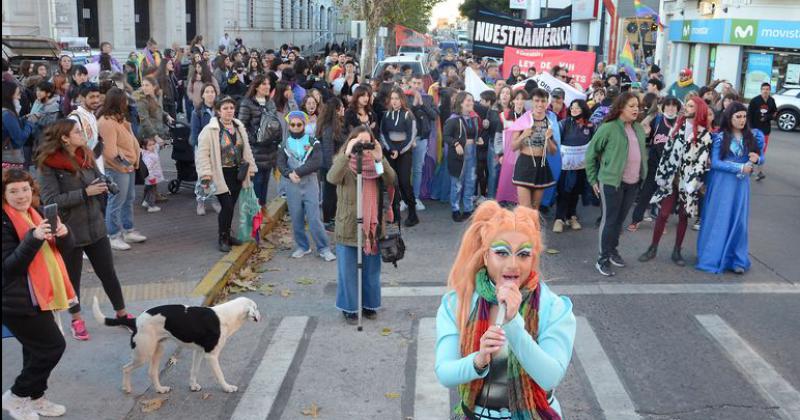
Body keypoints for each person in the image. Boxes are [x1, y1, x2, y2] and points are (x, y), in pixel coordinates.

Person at [434, 200, 575, 419]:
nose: (513, 264)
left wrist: (513, 324)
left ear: (533, 258)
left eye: (523, 254)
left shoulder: (553, 307)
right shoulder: (457, 303)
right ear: (485, 256)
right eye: (502, 252)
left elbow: (550, 377)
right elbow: (445, 373)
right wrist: (478, 361)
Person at [2, 168, 75, 419]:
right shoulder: (4, 221)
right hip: (14, 300)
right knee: (52, 347)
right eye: (13, 191)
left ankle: (36, 398)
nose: (21, 196)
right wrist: (33, 239)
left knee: (33, 350)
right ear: (4, 194)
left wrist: (65, 235)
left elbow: (63, 249)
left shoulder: (38, 212)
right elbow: (9, 268)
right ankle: (17, 396)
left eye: (25, 189)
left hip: (41, 295)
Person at [327, 126, 396, 324]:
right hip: (348, 223)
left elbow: (391, 180)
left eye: (368, 142)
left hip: (373, 226)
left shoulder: (376, 164)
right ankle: (349, 308)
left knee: (371, 271)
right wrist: (348, 153)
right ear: (351, 141)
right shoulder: (343, 161)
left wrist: (379, 158)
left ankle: (369, 305)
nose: (364, 147)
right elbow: (332, 178)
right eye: (360, 142)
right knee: (348, 271)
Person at [639, 96, 712, 266]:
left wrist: (692, 183)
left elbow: (702, 161)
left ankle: (677, 251)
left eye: (691, 105)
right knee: (663, 214)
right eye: (686, 105)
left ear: (698, 109)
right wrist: (662, 174)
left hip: (688, 182)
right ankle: (652, 248)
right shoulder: (677, 128)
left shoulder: (704, 134)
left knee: (683, 216)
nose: (686, 108)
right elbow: (666, 154)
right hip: (671, 179)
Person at [696, 103, 764, 274]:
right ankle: (714, 257)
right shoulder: (720, 137)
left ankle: (736, 259)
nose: (742, 120)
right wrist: (739, 168)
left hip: (741, 187)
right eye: (738, 117)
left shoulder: (751, 136)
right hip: (722, 184)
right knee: (720, 219)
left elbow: (760, 157)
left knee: (738, 221)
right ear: (729, 118)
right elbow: (716, 163)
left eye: (744, 116)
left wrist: (758, 159)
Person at [585, 92, 647, 276]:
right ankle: (602, 259)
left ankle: (612, 251)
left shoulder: (638, 128)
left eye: (638, 106)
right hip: (612, 181)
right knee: (610, 220)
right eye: (632, 106)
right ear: (621, 107)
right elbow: (591, 153)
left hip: (633, 182)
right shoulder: (608, 128)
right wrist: (593, 178)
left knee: (619, 221)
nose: (636, 109)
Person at [196, 96, 257, 252]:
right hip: (219, 174)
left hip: (237, 173)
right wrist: (205, 174)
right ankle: (222, 237)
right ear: (218, 111)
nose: (229, 111)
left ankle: (228, 235)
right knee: (227, 206)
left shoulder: (238, 127)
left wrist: (251, 168)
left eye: (231, 108)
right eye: (225, 108)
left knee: (231, 206)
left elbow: (246, 150)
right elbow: (202, 154)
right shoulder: (210, 130)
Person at [276, 111, 336, 261]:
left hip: (309, 183)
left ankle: (323, 248)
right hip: (292, 184)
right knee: (296, 217)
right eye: (293, 124)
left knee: (314, 218)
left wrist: (297, 172)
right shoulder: (284, 144)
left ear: (304, 124)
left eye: (299, 124)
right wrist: (289, 174)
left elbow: (316, 161)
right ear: (289, 126)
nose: (296, 127)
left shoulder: (313, 141)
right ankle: (303, 246)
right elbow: (280, 163)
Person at [629, 96, 681, 231]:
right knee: (646, 193)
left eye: (674, 106)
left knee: (665, 196)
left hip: (671, 167)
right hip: (654, 163)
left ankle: (661, 223)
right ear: (662, 107)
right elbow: (642, 130)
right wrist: (652, 115)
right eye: (667, 105)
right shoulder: (657, 120)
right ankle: (636, 220)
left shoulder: (681, 123)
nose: (670, 108)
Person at [508, 88, 559, 210]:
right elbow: (513, 147)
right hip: (525, 164)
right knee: (525, 208)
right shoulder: (523, 120)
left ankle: (533, 229)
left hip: (541, 165)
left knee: (535, 208)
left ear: (547, 103)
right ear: (531, 102)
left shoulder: (550, 123)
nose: (540, 104)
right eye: (537, 100)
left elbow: (553, 151)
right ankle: (522, 229)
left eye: (543, 101)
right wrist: (523, 135)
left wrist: (548, 140)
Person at [238, 75, 279, 208]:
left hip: (270, 150)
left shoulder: (270, 102)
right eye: (264, 84)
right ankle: (255, 213)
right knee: (257, 181)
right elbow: (241, 126)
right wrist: (255, 140)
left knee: (266, 181)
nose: (267, 86)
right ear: (256, 87)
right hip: (255, 150)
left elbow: (273, 124)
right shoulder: (247, 103)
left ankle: (262, 209)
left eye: (268, 84)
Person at [554, 99, 594, 233]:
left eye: (577, 108)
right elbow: (555, 139)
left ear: (583, 109)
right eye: (572, 108)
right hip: (565, 166)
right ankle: (559, 219)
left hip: (581, 166)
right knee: (564, 191)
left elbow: (594, 144)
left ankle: (572, 216)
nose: (574, 110)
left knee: (576, 192)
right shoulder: (564, 124)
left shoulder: (590, 126)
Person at [381, 87, 419, 227]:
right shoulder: (386, 115)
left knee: (404, 182)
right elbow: (383, 133)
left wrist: (399, 150)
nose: (394, 101)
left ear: (402, 99)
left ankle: (412, 213)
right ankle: (395, 213)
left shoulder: (408, 114)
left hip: (404, 152)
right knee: (392, 182)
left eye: (397, 98)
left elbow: (411, 135)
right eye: (392, 99)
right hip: (390, 151)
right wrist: (391, 148)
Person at [443, 91, 480, 222]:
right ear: (461, 103)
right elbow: (446, 136)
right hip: (458, 156)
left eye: (472, 100)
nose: (471, 103)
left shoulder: (474, 118)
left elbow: (472, 135)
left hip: (472, 153)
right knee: (457, 183)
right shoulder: (453, 119)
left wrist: (478, 139)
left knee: (470, 181)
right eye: (468, 100)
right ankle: (455, 209)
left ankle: (469, 209)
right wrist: (456, 143)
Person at [189, 83, 222, 216]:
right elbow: (195, 134)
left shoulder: (220, 110)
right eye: (207, 92)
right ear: (202, 95)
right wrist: (203, 148)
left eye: (212, 91)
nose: (210, 94)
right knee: (203, 176)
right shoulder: (197, 112)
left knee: (216, 175)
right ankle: (201, 202)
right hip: (202, 148)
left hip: (218, 148)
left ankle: (214, 201)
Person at [317, 97, 346, 229]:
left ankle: (331, 218)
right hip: (329, 166)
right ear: (336, 110)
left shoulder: (333, 124)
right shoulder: (329, 127)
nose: (344, 109)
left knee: (332, 193)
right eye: (341, 107)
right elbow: (328, 150)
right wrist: (332, 170)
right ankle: (328, 220)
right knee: (329, 193)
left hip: (333, 165)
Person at [747, 82, 776, 181]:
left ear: (769, 90)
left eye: (767, 89)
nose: (765, 91)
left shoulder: (771, 101)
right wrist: (750, 128)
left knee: (762, 150)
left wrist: (767, 117)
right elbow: (749, 115)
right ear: (761, 90)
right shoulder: (755, 101)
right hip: (754, 129)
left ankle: (759, 172)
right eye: (764, 89)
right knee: (752, 150)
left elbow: (774, 113)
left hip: (765, 131)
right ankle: (749, 168)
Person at [2, 81, 34, 170]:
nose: (19, 98)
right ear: (9, 95)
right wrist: (29, 124)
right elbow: (19, 139)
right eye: (17, 94)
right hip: (9, 161)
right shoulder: (7, 114)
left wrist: (22, 119)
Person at [135, 77, 172, 146]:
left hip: (158, 130)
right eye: (143, 85)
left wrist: (167, 115)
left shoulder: (155, 95)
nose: (144, 88)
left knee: (156, 156)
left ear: (154, 87)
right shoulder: (141, 100)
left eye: (147, 85)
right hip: (147, 135)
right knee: (149, 156)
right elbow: (144, 120)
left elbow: (158, 109)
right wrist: (155, 136)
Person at [140, 137, 164, 213]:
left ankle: (146, 201)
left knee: (148, 189)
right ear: (144, 147)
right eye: (149, 145)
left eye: (153, 144)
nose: (152, 146)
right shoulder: (147, 156)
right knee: (152, 191)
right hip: (152, 177)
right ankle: (151, 206)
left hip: (153, 176)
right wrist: (151, 178)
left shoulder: (153, 151)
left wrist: (157, 138)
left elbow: (158, 144)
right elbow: (148, 169)